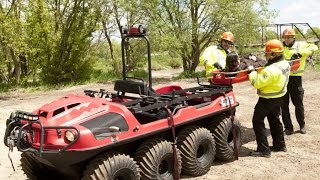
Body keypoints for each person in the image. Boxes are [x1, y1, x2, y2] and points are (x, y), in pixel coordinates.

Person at [248, 39, 290, 157]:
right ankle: (280, 145)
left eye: (267, 53)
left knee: (257, 120)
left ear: (273, 54)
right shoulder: (284, 63)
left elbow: (257, 82)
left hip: (268, 98)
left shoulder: (271, 70)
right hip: (279, 95)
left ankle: (263, 150)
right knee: (274, 119)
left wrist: (251, 71)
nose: (265, 55)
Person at [281, 28, 319, 135]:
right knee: (283, 105)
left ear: (293, 37)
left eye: (289, 37)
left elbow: (314, 47)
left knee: (298, 104)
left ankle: (302, 126)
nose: (287, 39)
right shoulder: (280, 47)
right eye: (285, 37)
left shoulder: (300, 45)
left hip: (296, 79)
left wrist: (300, 54)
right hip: (283, 79)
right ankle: (288, 128)